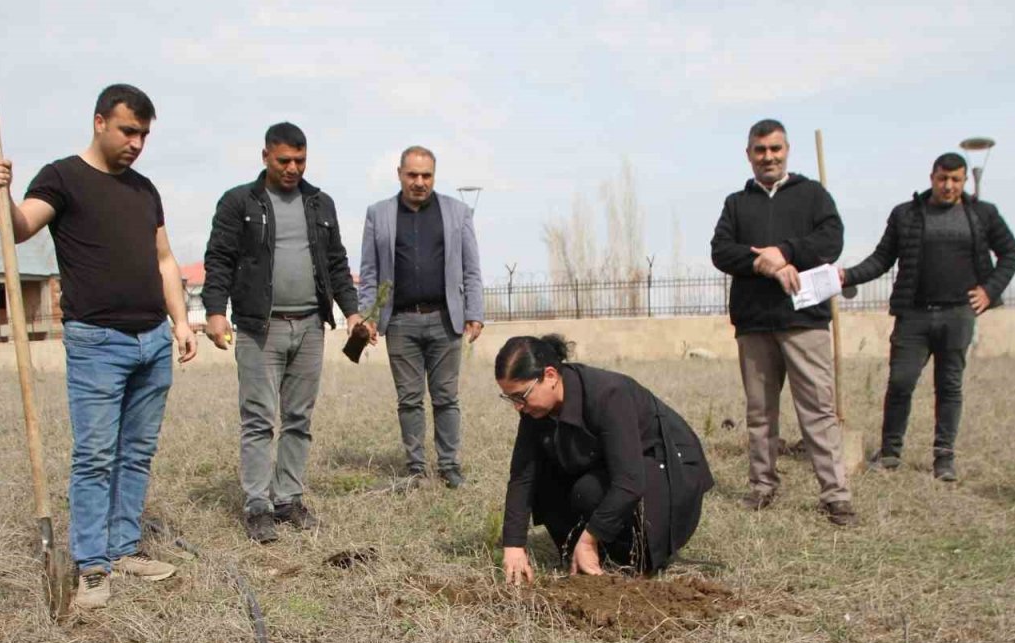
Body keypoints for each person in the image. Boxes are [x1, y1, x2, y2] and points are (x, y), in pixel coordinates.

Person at [0, 83, 197, 610]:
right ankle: (92, 565)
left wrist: (181, 321)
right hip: (97, 342)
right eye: (127, 130)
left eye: (144, 134)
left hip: (152, 341)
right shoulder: (63, 178)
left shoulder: (144, 190)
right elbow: (20, 226)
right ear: (99, 122)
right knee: (96, 455)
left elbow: (165, 260)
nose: (136, 143)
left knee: (137, 452)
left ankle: (123, 549)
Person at [202, 122, 362, 541]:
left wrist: (353, 312)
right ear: (266, 157)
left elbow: (337, 262)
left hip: (310, 326)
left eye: (300, 160)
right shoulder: (239, 202)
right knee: (258, 419)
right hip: (259, 328)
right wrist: (216, 312)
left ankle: (287, 497)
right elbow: (218, 259)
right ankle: (258, 505)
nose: (292, 168)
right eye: (284, 160)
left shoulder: (319, 203)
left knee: (298, 418)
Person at [840, 153, 1015, 481]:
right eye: (942, 178)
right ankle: (891, 452)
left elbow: (1010, 252)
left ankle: (944, 458)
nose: (948, 185)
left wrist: (990, 290)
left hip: (958, 315)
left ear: (964, 181)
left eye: (955, 180)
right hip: (913, 315)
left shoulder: (982, 214)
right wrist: (847, 276)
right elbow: (882, 258)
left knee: (949, 385)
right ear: (932, 177)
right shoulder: (906, 215)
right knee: (900, 382)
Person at [710, 118, 855, 526]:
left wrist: (784, 251)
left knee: (818, 411)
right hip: (754, 325)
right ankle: (762, 485)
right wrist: (760, 262)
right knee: (760, 412)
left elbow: (831, 240)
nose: (768, 157)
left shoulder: (812, 196)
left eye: (775, 149)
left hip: (804, 321)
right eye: (760, 150)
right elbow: (721, 251)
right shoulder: (736, 204)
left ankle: (835, 494)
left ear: (787, 150)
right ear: (749, 155)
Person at [498, 335, 714, 586]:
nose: (517, 406)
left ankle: (639, 557)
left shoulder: (609, 394)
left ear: (550, 376)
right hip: (620, 469)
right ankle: (586, 553)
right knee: (546, 480)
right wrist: (513, 545)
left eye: (521, 395)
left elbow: (629, 480)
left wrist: (590, 539)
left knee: (589, 491)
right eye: (510, 398)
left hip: (668, 474)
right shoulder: (534, 409)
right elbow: (523, 475)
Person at [358, 146, 484, 489]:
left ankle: (449, 465)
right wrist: (368, 316)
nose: (419, 182)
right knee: (409, 399)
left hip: (445, 321)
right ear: (399, 174)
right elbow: (369, 273)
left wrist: (474, 311)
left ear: (434, 176)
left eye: (426, 175)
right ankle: (415, 467)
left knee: (446, 397)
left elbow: (471, 268)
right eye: (412, 175)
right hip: (400, 322)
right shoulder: (378, 214)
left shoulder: (457, 213)